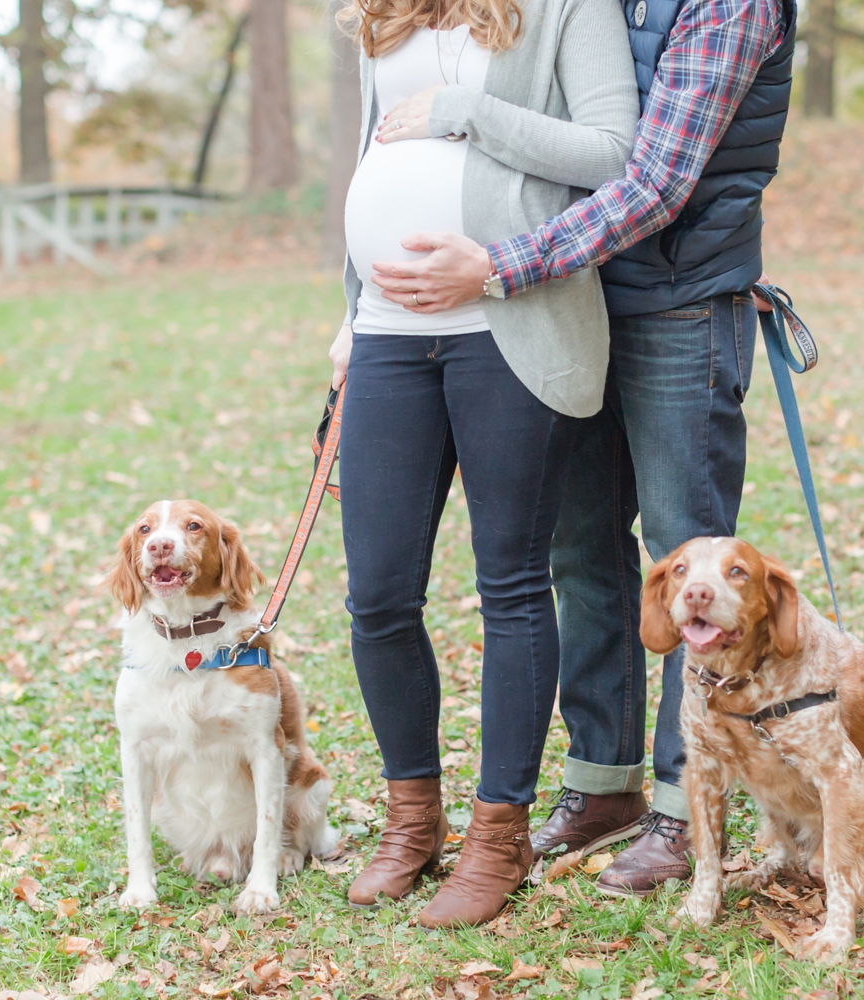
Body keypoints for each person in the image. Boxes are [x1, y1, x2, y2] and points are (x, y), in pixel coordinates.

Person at [365, 0, 795, 897]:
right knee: (580, 554)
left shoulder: (730, 5)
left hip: (679, 300)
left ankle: (687, 806)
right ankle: (604, 784)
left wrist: (506, 263)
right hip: (574, 301)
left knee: (691, 566)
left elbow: (654, 180)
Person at [328, 0, 639, 927]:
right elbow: (373, 158)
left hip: (508, 321)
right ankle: (410, 821)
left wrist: (466, 110)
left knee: (509, 584)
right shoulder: (381, 15)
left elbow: (614, 154)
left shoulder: (566, 10)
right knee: (377, 593)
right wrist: (348, 310)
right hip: (388, 334)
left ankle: (495, 838)